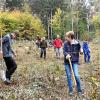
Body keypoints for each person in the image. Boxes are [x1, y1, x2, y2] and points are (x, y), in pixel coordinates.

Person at [63, 31, 83, 96]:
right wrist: (66, 55)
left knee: (76, 75)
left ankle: (79, 90)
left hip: (74, 61)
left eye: (66, 37)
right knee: (69, 76)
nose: (65, 38)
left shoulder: (77, 43)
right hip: (67, 62)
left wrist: (81, 51)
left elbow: (80, 49)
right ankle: (71, 90)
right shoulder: (65, 44)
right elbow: (64, 51)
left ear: (70, 37)